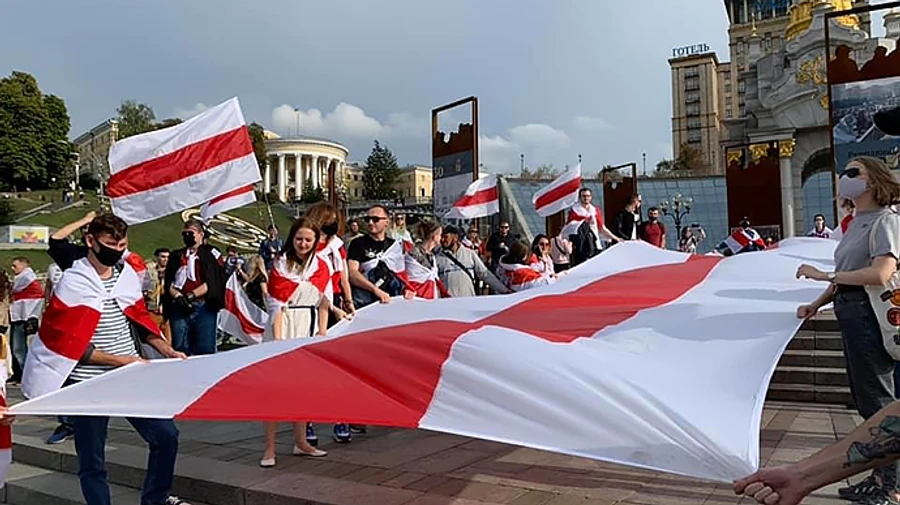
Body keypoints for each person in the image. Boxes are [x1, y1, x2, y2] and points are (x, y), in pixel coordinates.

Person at [29, 213, 190, 505]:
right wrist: (122, 361)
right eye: (110, 244)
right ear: (91, 242)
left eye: (122, 244)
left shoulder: (126, 275)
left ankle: (155, 499)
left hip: (129, 375)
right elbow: (72, 347)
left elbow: (141, 323)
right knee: (92, 460)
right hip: (87, 383)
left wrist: (168, 350)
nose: (117, 250)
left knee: (165, 436)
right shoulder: (72, 282)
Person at [794, 156, 900, 504]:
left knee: (878, 400)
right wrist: (819, 301)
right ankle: (879, 477)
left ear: (873, 181)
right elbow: (847, 273)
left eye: (854, 173)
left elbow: (880, 274)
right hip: (851, 311)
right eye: (844, 173)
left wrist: (825, 276)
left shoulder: (885, 220)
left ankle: (889, 486)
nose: (845, 178)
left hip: (870, 315)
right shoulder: (856, 222)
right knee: (866, 398)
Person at [259, 217, 329, 467]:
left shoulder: (321, 266)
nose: (303, 243)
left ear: (315, 241)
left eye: (308, 239)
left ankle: (301, 442)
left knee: (303, 388)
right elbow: (276, 305)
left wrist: (322, 331)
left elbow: (324, 302)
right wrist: (278, 340)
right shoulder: (281, 263)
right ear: (292, 238)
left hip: (306, 326)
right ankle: (269, 448)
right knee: (275, 390)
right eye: (299, 238)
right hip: (284, 324)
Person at [305, 203, 356, 444]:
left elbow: (343, 277)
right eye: (329, 219)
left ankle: (340, 417)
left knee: (336, 366)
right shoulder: (306, 244)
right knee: (310, 369)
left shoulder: (337, 246)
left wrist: (348, 301)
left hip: (333, 305)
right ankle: (307, 420)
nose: (333, 224)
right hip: (309, 309)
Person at [164, 220, 226, 356]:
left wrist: (192, 295)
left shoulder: (210, 255)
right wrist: (179, 297)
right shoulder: (177, 256)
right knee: (180, 347)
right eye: (184, 233)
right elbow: (169, 282)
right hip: (180, 306)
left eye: (191, 233)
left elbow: (213, 281)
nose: (187, 236)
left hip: (204, 305)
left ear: (200, 234)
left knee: (204, 348)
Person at [347, 205, 404, 308]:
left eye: (375, 219)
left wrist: (407, 289)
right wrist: (375, 290)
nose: (370, 222)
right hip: (366, 300)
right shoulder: (357, 243)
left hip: (392, 298)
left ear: (387, 221)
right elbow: (352, 273)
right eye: (367, 219)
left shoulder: (394, 245)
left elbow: (401, 274)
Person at [436, 226, 508, 298]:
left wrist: (504, 290)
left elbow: (485, 274)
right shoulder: (437, 258)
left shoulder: (470, 254)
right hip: (448, 302)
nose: (442, 240)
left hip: (468, 300)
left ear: (455, 238)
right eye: (441, 237)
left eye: (446, 237)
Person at [9, 257, 42, 382]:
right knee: (14, 346)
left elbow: (14, 290)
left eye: (15, 266)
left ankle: (24, 375)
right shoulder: (24, 278)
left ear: (24, 266)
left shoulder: (26, 278)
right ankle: (17, 373)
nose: (13, 269)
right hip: (19, 315)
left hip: (23, 315)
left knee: (19, 348)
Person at [400, 220, 448, 299]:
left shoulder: (431, 256)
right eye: (440, 234)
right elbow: (412, 277)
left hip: (432, 295)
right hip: (418, 297)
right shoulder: (414, 253)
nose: (441, 238)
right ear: (434, 236)